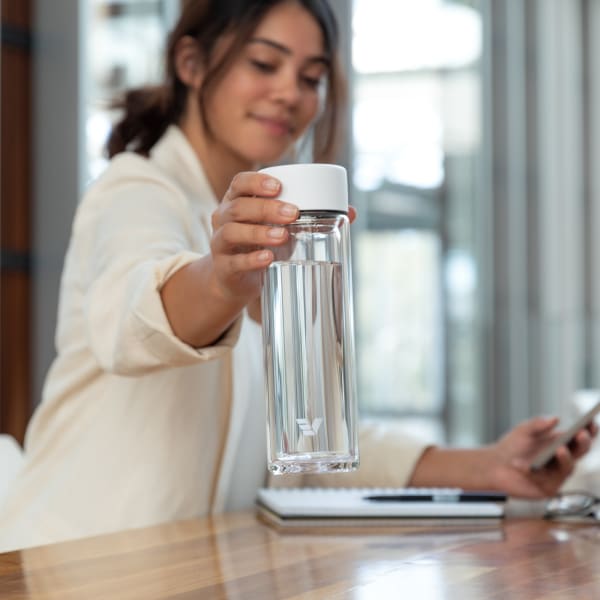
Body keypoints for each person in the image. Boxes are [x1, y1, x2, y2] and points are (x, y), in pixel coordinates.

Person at [0, 0, 595, 552]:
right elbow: (128, 319)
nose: (290, 92)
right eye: (264, 63)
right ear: (192, 62)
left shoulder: (276, 230)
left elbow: (311, 447)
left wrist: (485, 467)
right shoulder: (135, 189)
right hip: (68, 562)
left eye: (310, 78)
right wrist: (220, 283)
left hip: (189, 573)